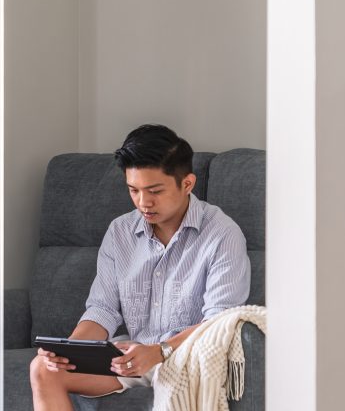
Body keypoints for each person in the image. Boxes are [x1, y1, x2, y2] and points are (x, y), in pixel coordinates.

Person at [29, 124, 251, 410]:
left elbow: (219, 323)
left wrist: (159, 351)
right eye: (133, 190)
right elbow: (103, 309)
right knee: (43, 368)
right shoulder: (120, 231)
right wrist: (71, 350)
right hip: (134, 353)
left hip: (188, 355)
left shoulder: (222, 234)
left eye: (155, 191)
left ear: (187, 184)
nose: (143, 202)